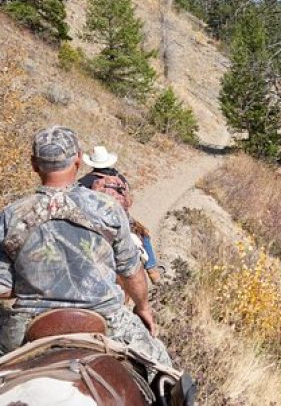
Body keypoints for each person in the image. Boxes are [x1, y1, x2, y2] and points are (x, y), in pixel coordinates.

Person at [0, 126, 171, 367]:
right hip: (105, 319)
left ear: (34, 164)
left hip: (29, 323)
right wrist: (142, 307)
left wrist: (37, 280)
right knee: (163, 369)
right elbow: (131, 272)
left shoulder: (11, 215)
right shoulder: (107, 208)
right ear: (78, 159)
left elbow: (3, 286)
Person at [79, 145, 162, 283]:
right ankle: (152, 270)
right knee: (143, 235)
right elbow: (128, 200)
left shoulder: (85, 181)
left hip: (94, 222)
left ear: (93, 164)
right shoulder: (120, 178)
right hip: (121, 219)